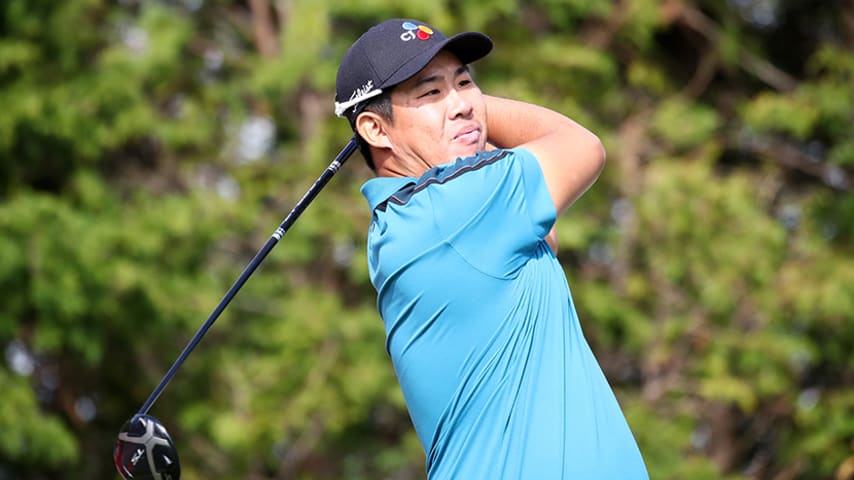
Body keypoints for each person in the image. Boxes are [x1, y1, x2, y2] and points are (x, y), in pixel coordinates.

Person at [334, 18, 649, 479]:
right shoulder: (458, 207)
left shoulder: (411, 222)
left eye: (465, 81)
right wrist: (473, 110)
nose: (461, 104)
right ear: (375, 130)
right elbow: (582, 146)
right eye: (430, 93)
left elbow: (547, 236)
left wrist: (456, 106)